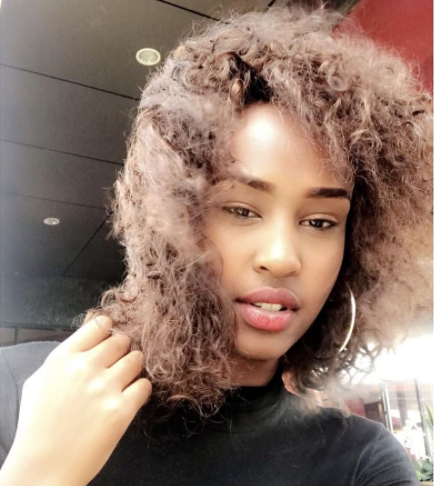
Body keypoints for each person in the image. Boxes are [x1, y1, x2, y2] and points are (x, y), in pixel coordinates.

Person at [0, 5, 432, 486]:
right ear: (170, 219)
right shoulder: (23, 395)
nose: (281, 257)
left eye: (319, 221)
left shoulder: (361, 463)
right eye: (242, 210)